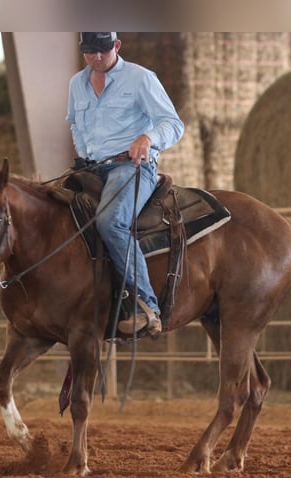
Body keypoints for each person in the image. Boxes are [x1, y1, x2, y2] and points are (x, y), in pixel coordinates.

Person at [66, 32, 185, 337]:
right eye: (90, 51)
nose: (96, 57)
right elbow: (75, 126)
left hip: (130, 167)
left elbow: (173, 124)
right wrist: (84, 155)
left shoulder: (140, 78)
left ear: (117, 46)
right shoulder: (76, 84)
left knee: (110, 221)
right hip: (92, 168)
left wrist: (148, 139)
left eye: (102, 51)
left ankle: (147, 305)